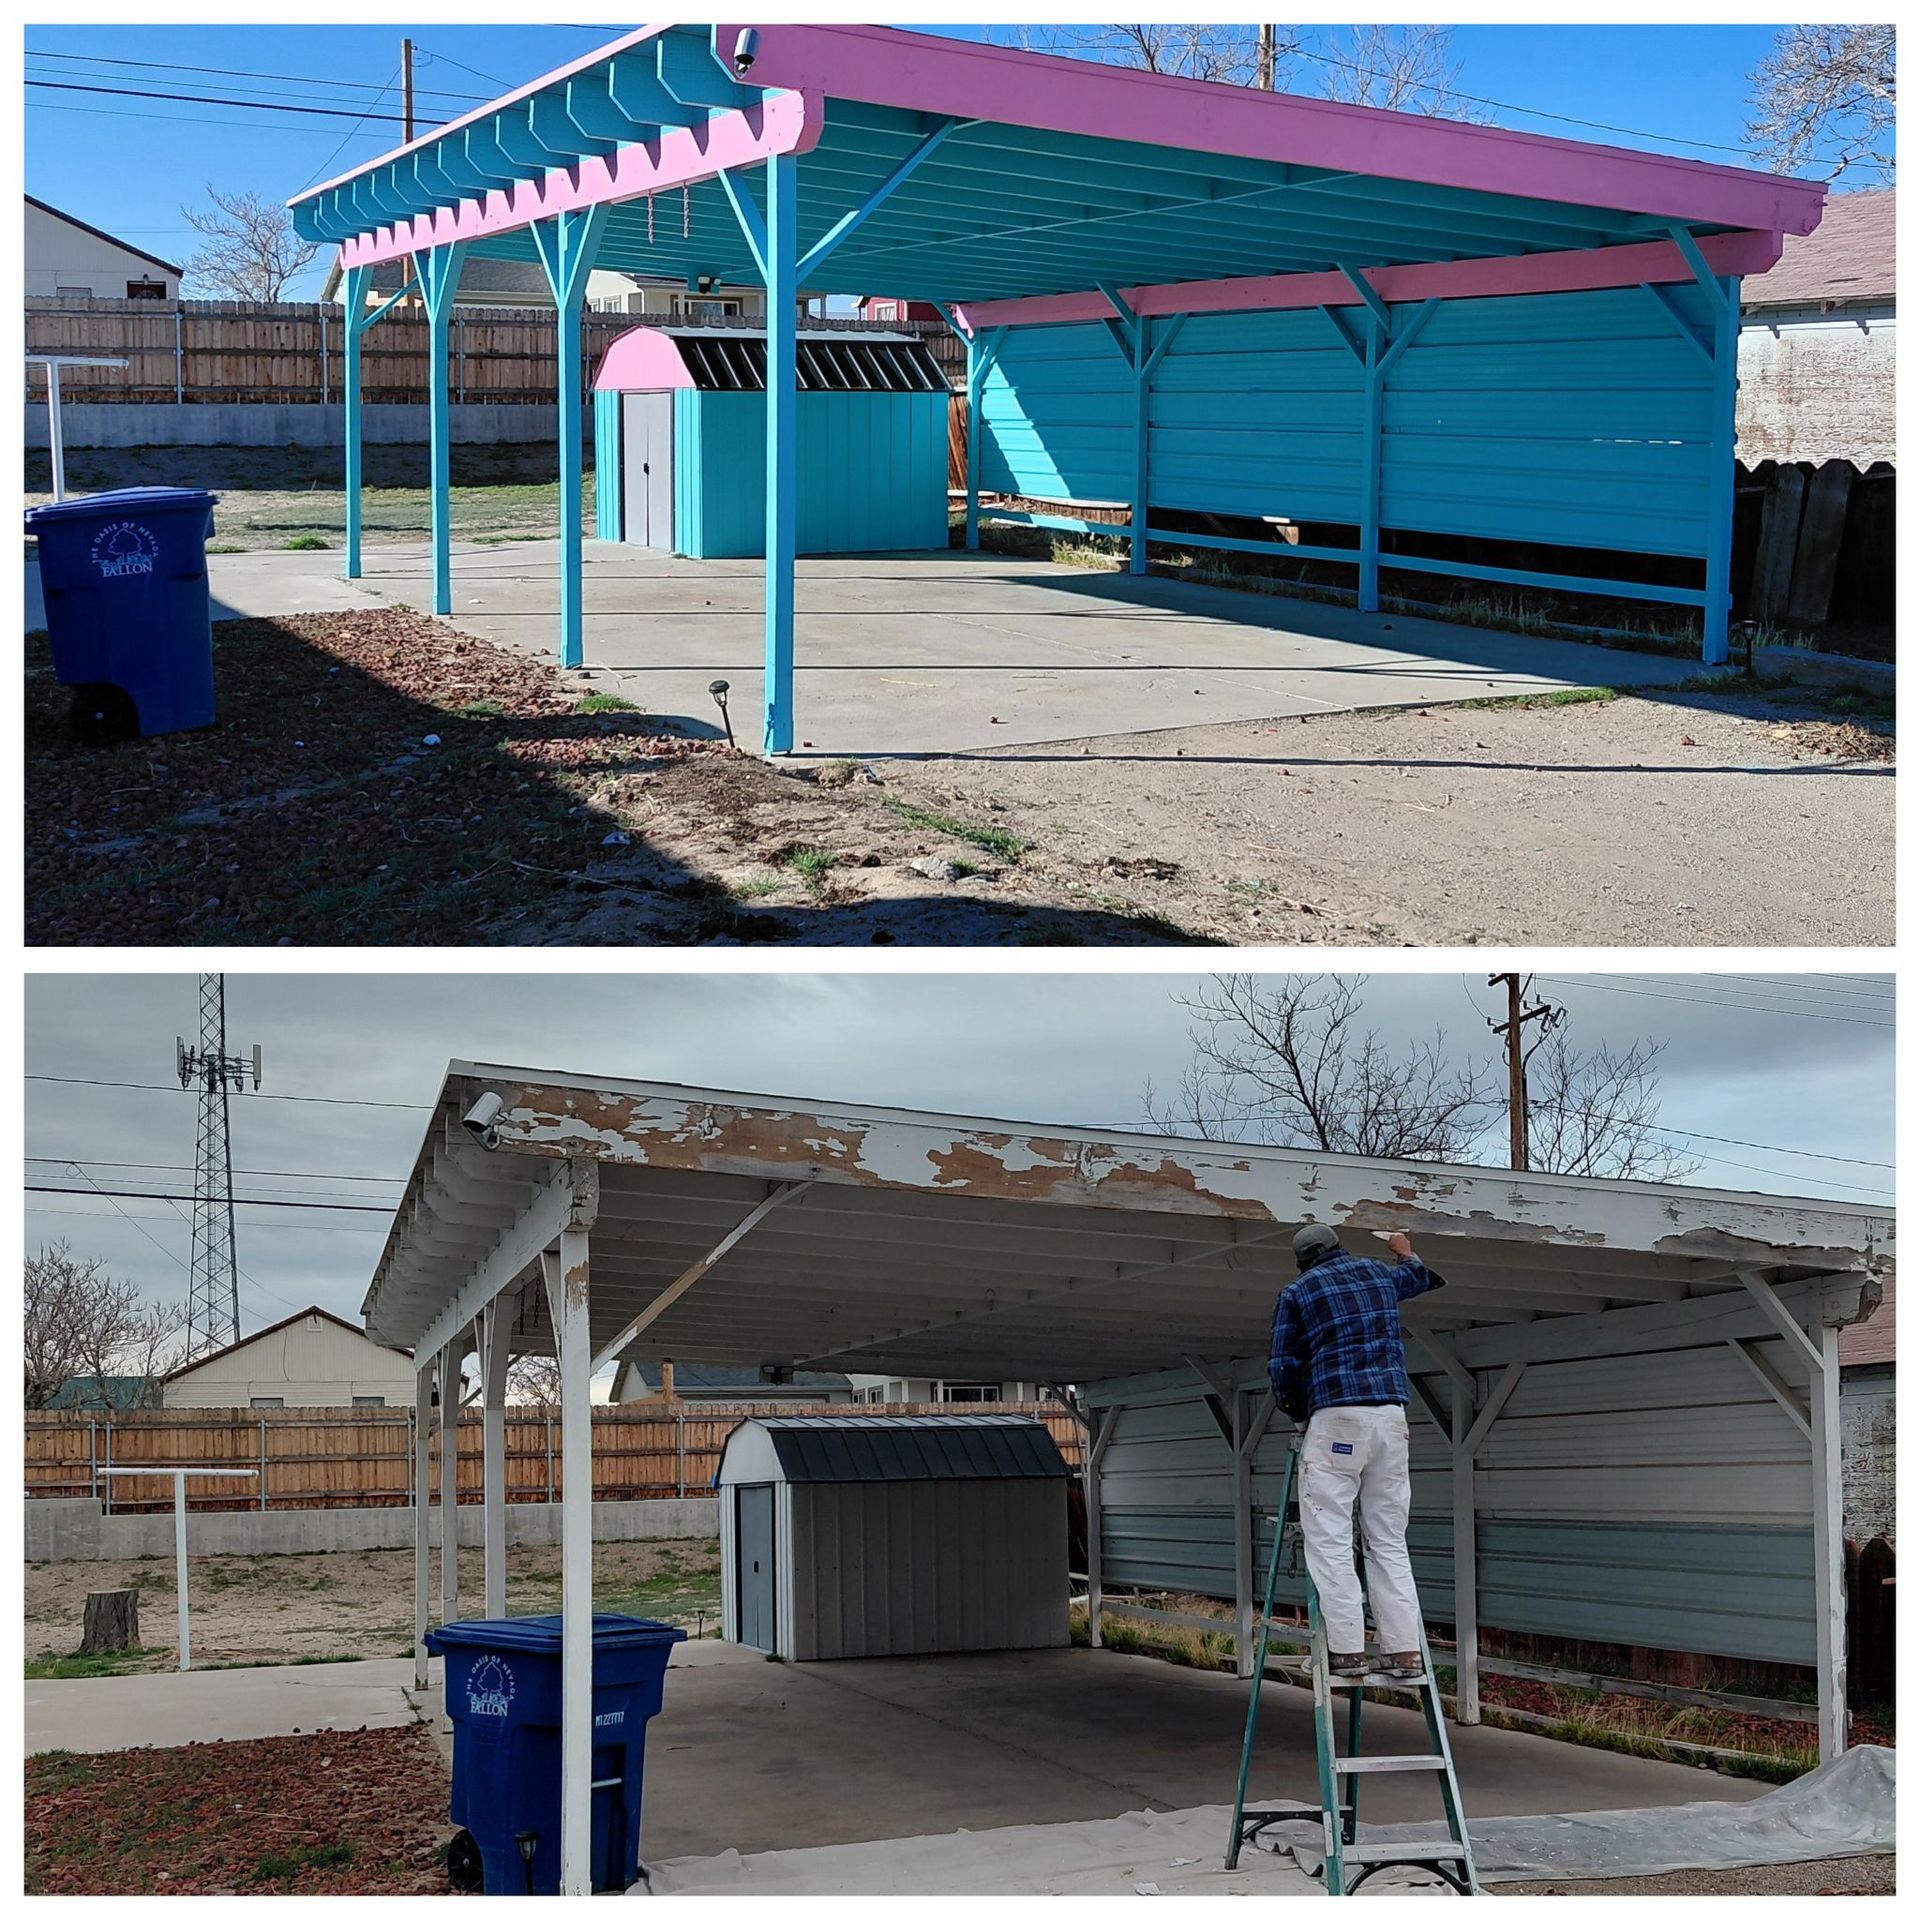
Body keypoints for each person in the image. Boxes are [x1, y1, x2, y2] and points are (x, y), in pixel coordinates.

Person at [1268, 1223, 1446, 1680]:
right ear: (1338, 1247)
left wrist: (1299, 1415)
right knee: (1387, 1539)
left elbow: (1283, 1366)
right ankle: (1404, 1651)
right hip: (1390, 1419)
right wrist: (1404, 1249)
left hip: (1337, 1419)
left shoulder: (1298, 1292)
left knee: (1329, 1538)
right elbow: (1420, 1276)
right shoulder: (1377, 1274)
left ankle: (1346, 1652)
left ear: (1303, 1259)